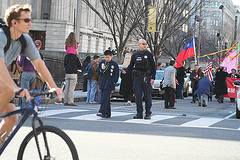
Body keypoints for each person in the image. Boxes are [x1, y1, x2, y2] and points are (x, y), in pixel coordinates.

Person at [0, 4, 62, 144]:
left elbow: (39, 64)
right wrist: (15, 88)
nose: (30, 23)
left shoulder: (25, 40)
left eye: (30, 19)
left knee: (11, 119)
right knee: (9, 90)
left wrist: (53, 86)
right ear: (14, 22)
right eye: (26, 20)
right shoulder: (2, 36)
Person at [123, 39, 156, 119]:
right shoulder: (135, 55)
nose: (145, 45)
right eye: (143, 44)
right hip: (137, 77)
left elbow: (153, 66)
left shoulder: (149, 54)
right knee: (138, 96)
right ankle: (139, 113)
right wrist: (126, 72)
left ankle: (148, 113)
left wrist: (153, 78)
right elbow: (131, 66)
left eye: (145, 44)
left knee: (147, 96)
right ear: (139, 45)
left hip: (146, 77)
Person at [96, 50, 119, 118]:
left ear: (111, 56)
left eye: (108, 57)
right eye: (106, 57)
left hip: (109, 83)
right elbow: (98, 71)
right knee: (105, 99)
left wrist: (113, 82)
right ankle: (107, 113)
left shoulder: (114, 64)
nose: (107, 59)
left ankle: (102, 111)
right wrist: (101, 69)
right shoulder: (103, 62)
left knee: (105, 98)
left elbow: (116, 74)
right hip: (103, 82)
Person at [64, 32, 81, 106]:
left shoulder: (66, 56)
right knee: (71, 88)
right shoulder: (75, 57)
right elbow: (79, 65)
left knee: (66, 87)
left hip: (67, 72)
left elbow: (64, 64)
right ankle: (70, 101)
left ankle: (65, 101)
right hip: (73, 73)